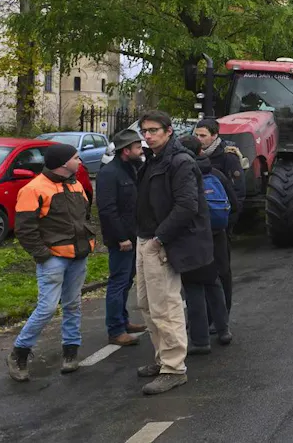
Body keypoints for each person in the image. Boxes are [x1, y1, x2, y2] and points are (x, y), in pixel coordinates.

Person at [135, 110, 214, 396]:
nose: (148, 135)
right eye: (145, 131)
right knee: (146, 304)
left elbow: (186, 206)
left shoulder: (179, 162)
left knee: (165, 306)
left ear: (168, 131)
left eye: (154, 130)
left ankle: (173, 368)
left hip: (162, 242)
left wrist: (159, 239)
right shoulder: (154, 159)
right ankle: (162, 358)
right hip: (146, 239)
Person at [6, 143, 92, 382]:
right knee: (47, 308)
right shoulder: (33, 189)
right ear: (64, 163)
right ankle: (19, 353)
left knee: (73, 304)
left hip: (77, 255)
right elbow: (24, 229)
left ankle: (70, 352)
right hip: (53, 258)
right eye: (76, 158)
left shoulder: (75, 184)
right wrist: (44, 255)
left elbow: (83, 214)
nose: (80, 161)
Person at [178, 135, 233, 353]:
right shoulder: (214, 172)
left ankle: (200, 340)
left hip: (190, 237)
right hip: (215, 237)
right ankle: (223, 329)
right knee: (214, 283)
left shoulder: (182, 173)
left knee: (193, 289)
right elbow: (234, 202)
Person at [96, 129, 148, 347]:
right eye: (137, 147)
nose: (141, 151)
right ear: (126, 151)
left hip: (133, 236)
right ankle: (115, 330)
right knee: (118, 283)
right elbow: (107, 210)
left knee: (126, 281)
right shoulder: (109, 173)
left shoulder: (132, 169)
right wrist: (121, 238)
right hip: (122, 240)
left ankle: (123, 321)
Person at [193, 118, 245, 230]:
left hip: (221, 213)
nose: (198, 139)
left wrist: (229, 219)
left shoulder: (228, 156)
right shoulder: (195, 154)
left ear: (214, 135)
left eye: (203, 136)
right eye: (196, 135)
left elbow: (238, 191)